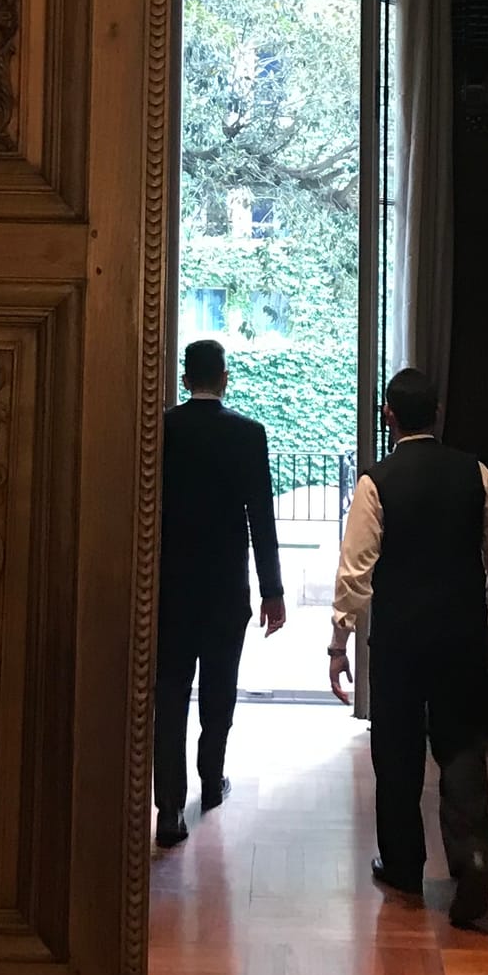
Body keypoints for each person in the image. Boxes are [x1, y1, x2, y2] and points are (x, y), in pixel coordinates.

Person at [327, 366, 488, 928]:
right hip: (460, 633)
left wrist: (338, 643)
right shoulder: (476, 474)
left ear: (388, 415)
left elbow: (355, 574)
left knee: (397, 750)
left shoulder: (376, 482)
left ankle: (404, 865)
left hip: (400, 640)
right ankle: (472, 855)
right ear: (437, 413)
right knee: (461, 744)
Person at [154, 338, 286, 847]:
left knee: (170, 693)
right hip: (227, 587)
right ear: (225, 378)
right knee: (219, 687)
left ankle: (169, 808)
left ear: (186, 379)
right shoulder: (248, 434)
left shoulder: (162, 429)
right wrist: (272, 589)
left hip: (170, 586)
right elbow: (261, 517)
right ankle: (211, 780)